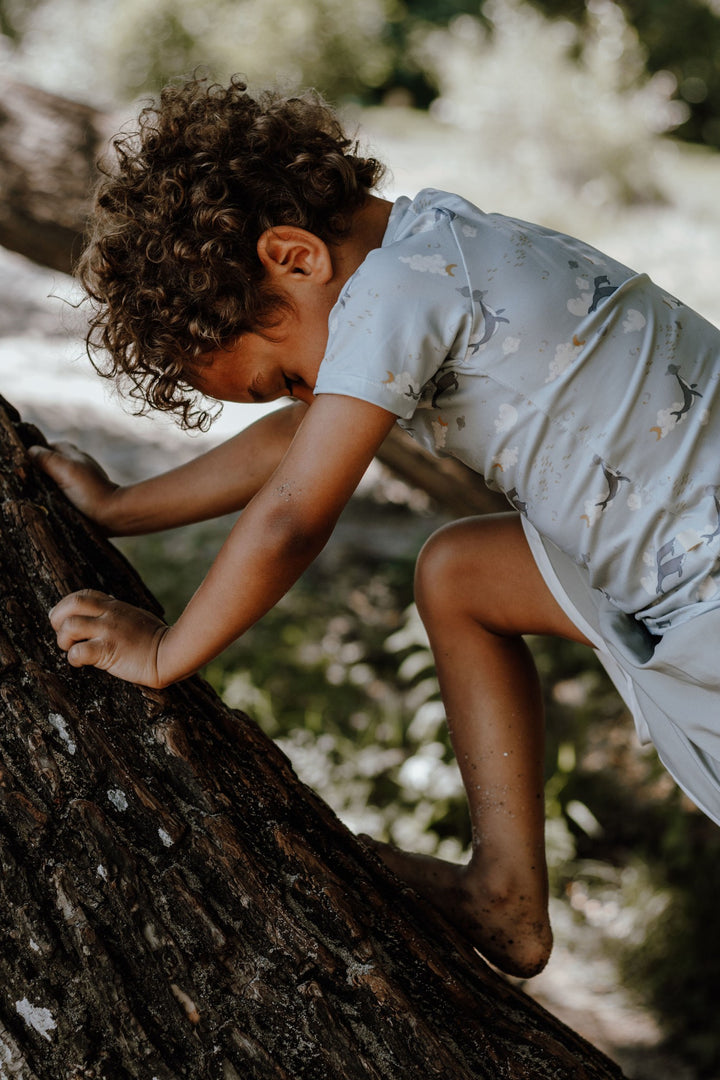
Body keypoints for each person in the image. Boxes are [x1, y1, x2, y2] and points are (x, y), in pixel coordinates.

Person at [31, 74, 720, 980]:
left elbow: (291, 517)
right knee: (460, 573)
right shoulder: (434, 242)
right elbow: (296, 444)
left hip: (707, 586)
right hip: (677, 532)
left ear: (296, 257)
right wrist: (122, 509)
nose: (306, 402)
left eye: (282, 375)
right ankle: (506, 896)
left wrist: (166, 653)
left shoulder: (400, 294)